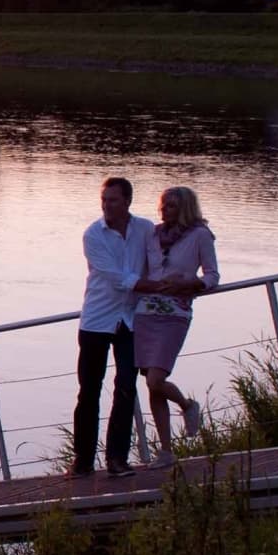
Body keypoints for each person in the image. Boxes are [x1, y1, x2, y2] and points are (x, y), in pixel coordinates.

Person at [74, 175, 156, 475]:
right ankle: (83, 461)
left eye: (113, 200)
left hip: (131, 321)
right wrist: (155, 286)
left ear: (127, 202)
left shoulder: (146, 229)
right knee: (89, 391)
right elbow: (115, 277)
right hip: (97, 320)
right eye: (104, 200)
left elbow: (159, 259)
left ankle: (117, 459)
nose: (106, 205)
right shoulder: (93, 235)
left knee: (126, 388)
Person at [131, 185, 218, 445]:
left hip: (175, 314)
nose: (164, 210)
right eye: (163, 204)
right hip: (145, 313)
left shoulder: (200, 235)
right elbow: (143, 271)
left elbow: (212, 275)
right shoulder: (153, 235)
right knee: (151, 385)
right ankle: (166, 451)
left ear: (185, 208)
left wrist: (190, 283)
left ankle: (187, 405)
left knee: (156, 380)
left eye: (171, 206)